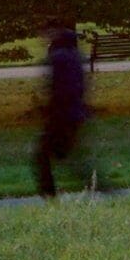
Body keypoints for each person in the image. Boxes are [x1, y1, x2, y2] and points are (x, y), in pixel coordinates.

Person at [34, 23, 92, 198]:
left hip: (62, 117)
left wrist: (50, 111)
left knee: (44, 157)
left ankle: (49, 196)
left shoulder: (59, 58)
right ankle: (99, 188)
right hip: (74, 115)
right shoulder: (75, 58)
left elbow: (58, 89)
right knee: (69, 159)